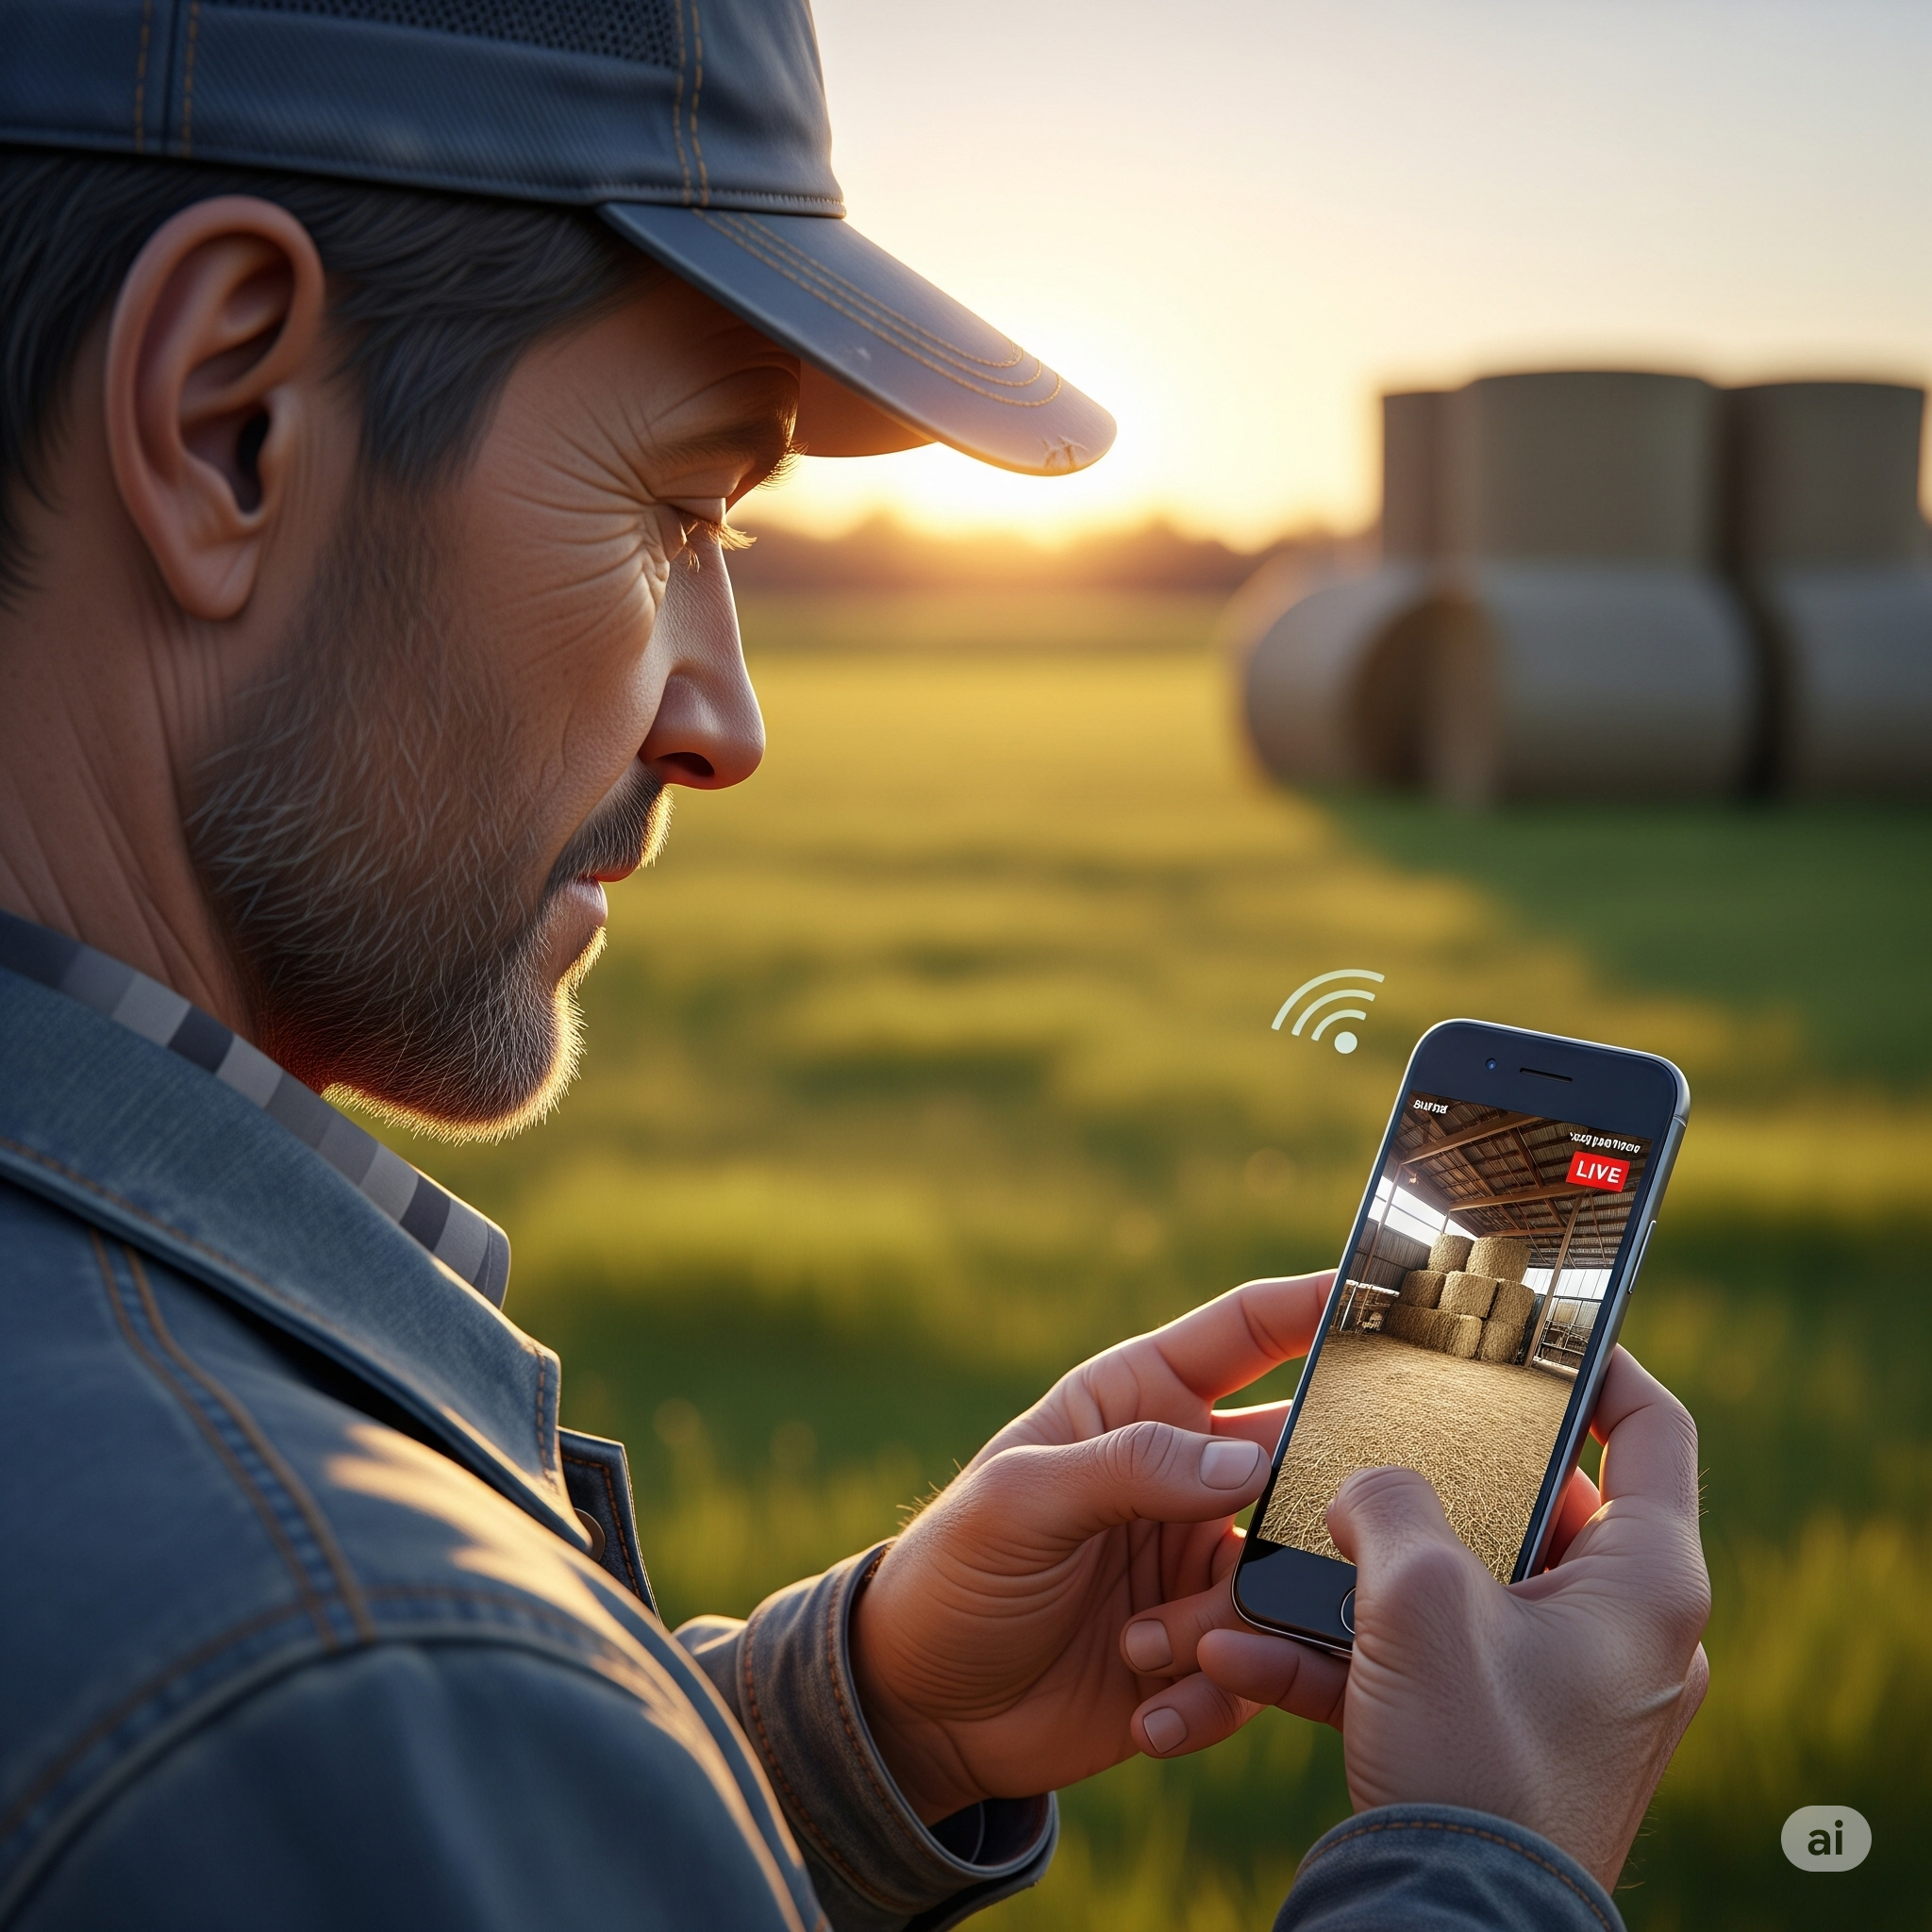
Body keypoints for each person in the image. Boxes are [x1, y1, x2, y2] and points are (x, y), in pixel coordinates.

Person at [0, 4, 1709, 1927]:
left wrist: (846, 1728)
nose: (724, 721)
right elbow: (306, 1744)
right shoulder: (326, 1679)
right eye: (673, 507)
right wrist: (1485, 1863)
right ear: (229, 416)